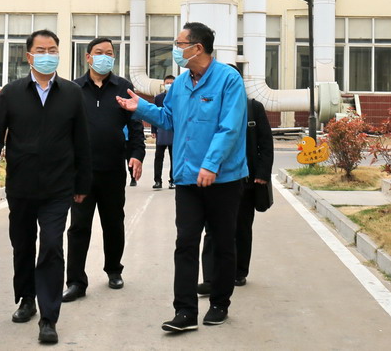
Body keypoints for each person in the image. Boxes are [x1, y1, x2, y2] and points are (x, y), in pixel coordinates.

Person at [116, 22, 248, 332]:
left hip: (223, 179)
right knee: (185, 242)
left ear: (197, 48)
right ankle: (185, 311)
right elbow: (168, 118)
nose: (176, 49)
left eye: (179, 44)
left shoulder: (229, 80)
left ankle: (219, 303)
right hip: (188, 178)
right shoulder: (180, 84)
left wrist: (211, 164)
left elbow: (229, 128)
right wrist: (140, 108)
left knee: (222, 243)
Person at [0, 29, 92, 345]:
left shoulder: (71, 93)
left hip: (58, 187)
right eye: (41, 50)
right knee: (23, 244)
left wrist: (82, 182)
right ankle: (27, 298)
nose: (47, 55)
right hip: (22, 186)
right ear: (29, 56)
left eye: (52, 49)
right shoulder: (12, 93)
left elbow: (82, 142)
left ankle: (49, 317)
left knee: (52, 246)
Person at [63, 37, 145, 302]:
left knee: (113, 223)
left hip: (112, 170)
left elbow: (135, 126)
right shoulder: (73, 89)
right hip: (81, 173)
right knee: (79, 227)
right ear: (88, 57)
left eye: (109, 53)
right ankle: (75, 281)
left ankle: (114, 270)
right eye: (99, 52)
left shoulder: (123, 87)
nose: (105, 57)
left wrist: (137, 155)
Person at [198, 94, 274, 294]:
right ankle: (210, 278)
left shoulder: (253, 108)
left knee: (241, 227)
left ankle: (239, 272)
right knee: (211, 229)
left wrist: (263, 174)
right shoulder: (210, 105)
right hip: (215, 178)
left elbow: (266, 142)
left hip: (245, 180)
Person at [152, 75, 175, 189]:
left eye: (171, 83)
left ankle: (173, 180)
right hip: (161, 131)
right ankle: (157, 180)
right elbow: (154, 114)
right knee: (158, 157)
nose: (169, 85)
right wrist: (153, 130)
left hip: (174, 131)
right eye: (167, 83)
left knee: (174, 157)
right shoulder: (158, 98)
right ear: (163, 84)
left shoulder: (178, 97)